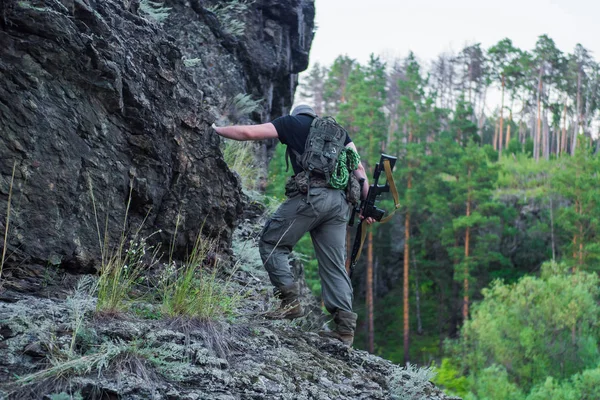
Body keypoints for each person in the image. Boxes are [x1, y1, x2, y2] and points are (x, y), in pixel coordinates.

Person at [212, 104, 373, 346]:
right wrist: (365, 207)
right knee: (334, 264)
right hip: (341, 204)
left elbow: (249, 133)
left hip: (311, 197)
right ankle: (345, 330)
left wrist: (217, 130)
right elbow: (360, 171)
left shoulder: (290, 123)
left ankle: (290, 303)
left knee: (272, 242)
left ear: (298, 114)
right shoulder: (338, 132)